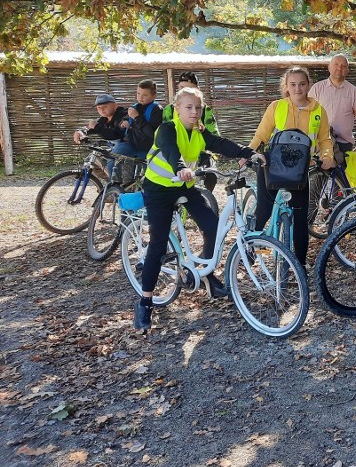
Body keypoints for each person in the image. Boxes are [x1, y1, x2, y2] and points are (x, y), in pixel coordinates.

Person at [134, 87, 264, 331]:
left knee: (214, 227)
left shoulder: (199, 133)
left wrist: (249, 153)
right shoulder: (166, 129)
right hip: (159, 190)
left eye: (198, 107)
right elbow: (171, 151)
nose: (194, 112)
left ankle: (205, 273)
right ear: (176, 109)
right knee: (158, 245)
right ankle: (145, 301)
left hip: (185, 187)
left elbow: (222, 144)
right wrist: (181, 167)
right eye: (188, 107)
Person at [248, 67, 336, 266]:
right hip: (273, 167)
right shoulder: (276, 107)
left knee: (300, 218)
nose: (298, 89)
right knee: (264, 210)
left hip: (300, 170)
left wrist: (327, 156)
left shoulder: (318, 111)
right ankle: (248, 249)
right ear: (286, 87)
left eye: (302, 84)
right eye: (293, 84)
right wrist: (247, 153)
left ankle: (300, 265)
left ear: (308, 85)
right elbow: (261, 135)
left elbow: (324, 139)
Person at [308, 54, 356, 187]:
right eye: (336, 64)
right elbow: (307, 114)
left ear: (347, 70)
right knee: (316, 184)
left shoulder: (353, 91)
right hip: (321, 143)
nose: (339, 68)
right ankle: (312, 208)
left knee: (341, 188)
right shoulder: (317, 89)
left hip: (344, 144)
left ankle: (337, 207)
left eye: (343, 66)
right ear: (329, 67)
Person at [163, 71, 219, 191]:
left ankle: (207, 195)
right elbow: (165, 136)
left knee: (212, 174)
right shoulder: (169, 109)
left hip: (200, 152)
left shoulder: (205, 110)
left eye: (190, 89)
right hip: (176, 152)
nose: (186, 92)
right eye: (182, 88)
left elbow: (213, 135)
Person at [113, 79, 163, 160]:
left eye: (145, 95)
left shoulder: (157, 110)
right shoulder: (135, 107)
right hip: (129, 143)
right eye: (138, 93)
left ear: (154, 96)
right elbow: (122, 121)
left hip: (147, 148)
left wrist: (137, 118)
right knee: (112, 160)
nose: (140, 97)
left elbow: (152, 133)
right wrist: (122, 123)